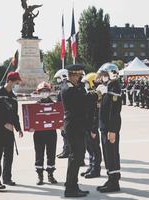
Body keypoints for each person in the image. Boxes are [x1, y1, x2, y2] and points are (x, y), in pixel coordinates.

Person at [0, 71, 23, 190]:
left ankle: (7, 178)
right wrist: (4, 124)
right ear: (9, 81)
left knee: (9, 155)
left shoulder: (13, 97)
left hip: (10, 131)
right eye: (16, 82)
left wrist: (18, 128)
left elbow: (15, 115)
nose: (17, 84)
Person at [61, 64, 89, 197]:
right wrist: (96, 94)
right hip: (73, 127)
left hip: (76, 126)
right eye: (78, 76)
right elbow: (82, 102)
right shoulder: (69, 89)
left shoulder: (72, 87)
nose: (80, 78)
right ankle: (70, 189)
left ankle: (73, 186)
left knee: (76, 158)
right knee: (75, 158)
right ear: (72, 75)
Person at [96, 63, 122, 193]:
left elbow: (114, 112)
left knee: (111, 154)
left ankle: (114, 182)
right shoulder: (108, 87)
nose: (102, 77)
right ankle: (111, 177)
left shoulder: (114, 88)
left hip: (110, 129)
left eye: (105, 75)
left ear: (112, 74)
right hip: (105, 128)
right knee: (108, 154)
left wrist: (112, 130)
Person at [33, 82, 58, 185]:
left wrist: (61, 125)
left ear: (49, 92)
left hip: (51, 133)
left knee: (51, 154)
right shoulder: (35, 106)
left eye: (46, 91)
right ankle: (40, 176)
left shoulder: (55, 105)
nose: (44, 93)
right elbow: (31, 119)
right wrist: (30, 127)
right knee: (39, 154)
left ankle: (50, 175)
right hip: (39, 134)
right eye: (42, 91)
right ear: (39, 92)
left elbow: (59, 118)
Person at [80, 73, 102, 179]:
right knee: (89, 148)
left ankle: (96, 170)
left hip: (92, 128)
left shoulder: (96, 96)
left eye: (87, 83)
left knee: (95, 149)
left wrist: (94, 129)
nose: (86, 85)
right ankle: (91, 166)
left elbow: (96, 114)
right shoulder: (90, 94)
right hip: (86, 126)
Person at [54, 69, 70, 159]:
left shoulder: (66, 88)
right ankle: (65, 149)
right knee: (63, 133)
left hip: (65, 114)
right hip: (62, 113)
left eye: (58, 78)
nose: (57, 81)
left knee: (65, 133)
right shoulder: (62, 88)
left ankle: (67, 151)